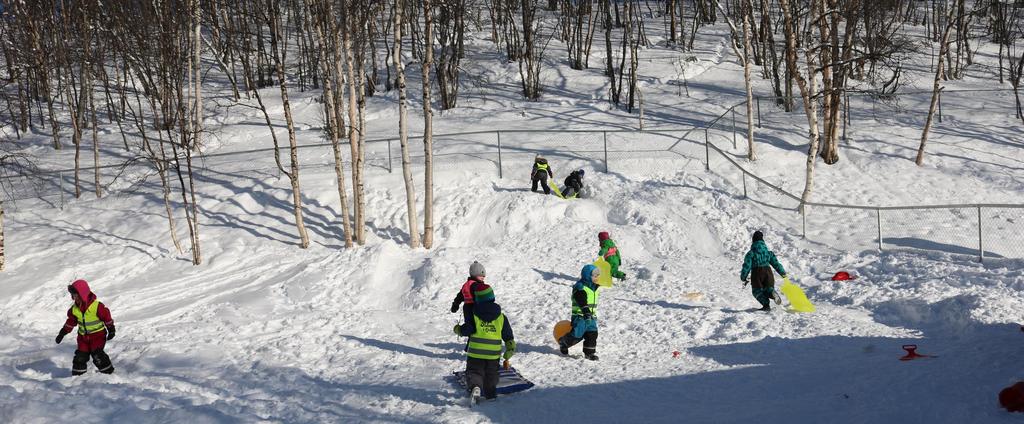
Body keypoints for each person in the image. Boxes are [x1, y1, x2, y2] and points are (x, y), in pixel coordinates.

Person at [453, 292, 516, 404]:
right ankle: (490, 394)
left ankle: (475, 387)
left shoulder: (474, 314)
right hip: (493, 354)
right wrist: (510, 348)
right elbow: (507, 335)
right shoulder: (501, 317)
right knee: (491, 373)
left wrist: (458, 329)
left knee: (474, 371)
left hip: (476, 351)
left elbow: (468, 329)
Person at [55, 279, 116, 376]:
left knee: (98, 355)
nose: (74, 297)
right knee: (80, 357)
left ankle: (109, 375)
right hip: (83, 338)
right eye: (73, 294)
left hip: (97, 336)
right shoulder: (74, 309)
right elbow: (71, 322)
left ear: (82, 293)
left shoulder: (97, 306)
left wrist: (111, 329)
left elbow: (106, 317)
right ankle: (77, 379)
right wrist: (62, 332)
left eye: (75, 294)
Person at [558, 264, 601, 361]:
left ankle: (589, 353)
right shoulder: (580, 287)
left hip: (591, 317)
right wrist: (586, 311)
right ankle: (564, 342)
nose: (597, 278)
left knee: (592, 334)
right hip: (580, 316)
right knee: (577, 335)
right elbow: (581, 300)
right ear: (587, 276)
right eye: (594, 276)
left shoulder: (594, 288)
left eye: (598, 275)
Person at [740, 230, 787, 311]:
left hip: (757, 273)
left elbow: (747, 266)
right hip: (768, 273)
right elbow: (776, 264)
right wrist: (783, 273)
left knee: (757, 292)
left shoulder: (751, 253)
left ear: (753, 241)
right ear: (763, 241)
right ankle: (772, 294)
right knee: (768, 289)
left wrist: (743, 277)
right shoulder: (768, 253)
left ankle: (766, 305)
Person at [451, 261, 492, 327]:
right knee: (478, 325)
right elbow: (480, 297)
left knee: (470, 325)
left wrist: (455, 305)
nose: (483, 277)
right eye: (480, 275)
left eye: (483, 276)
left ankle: (470, 335)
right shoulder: (475, 285)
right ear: (474, 274)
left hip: (467, 308)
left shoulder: (466, 284)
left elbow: (459, 296)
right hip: (475, 307)